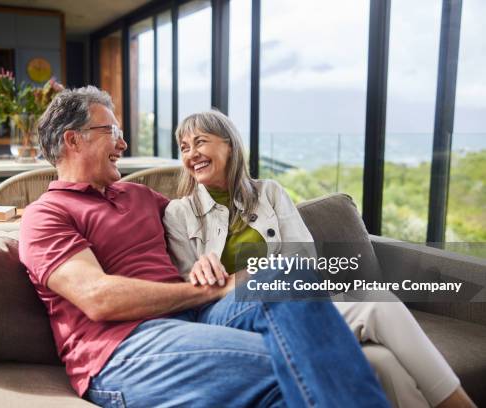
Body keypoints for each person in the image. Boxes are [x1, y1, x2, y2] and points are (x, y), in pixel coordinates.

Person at [19, 86, 389, 408]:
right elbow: (99, 298)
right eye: (112, 131)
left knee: (284, 275)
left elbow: (208, 219)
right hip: (122, 349)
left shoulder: (138, 196)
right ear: (73, 140)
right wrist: (208, 288)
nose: (123, 143)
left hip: (198, 319)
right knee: (300, 361)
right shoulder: (46, 215)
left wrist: (212, 256)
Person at [162, 109, 476, 408]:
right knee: (378, 302)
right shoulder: (179, 213)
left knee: (383, 362)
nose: (191, 154)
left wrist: (237, 277)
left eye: (200, 142)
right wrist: (227, 277)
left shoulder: (268, 193)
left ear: (229, 145)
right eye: (184, 147)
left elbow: (304, 261)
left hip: (296, 303)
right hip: (233, 318)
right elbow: (190, 291)